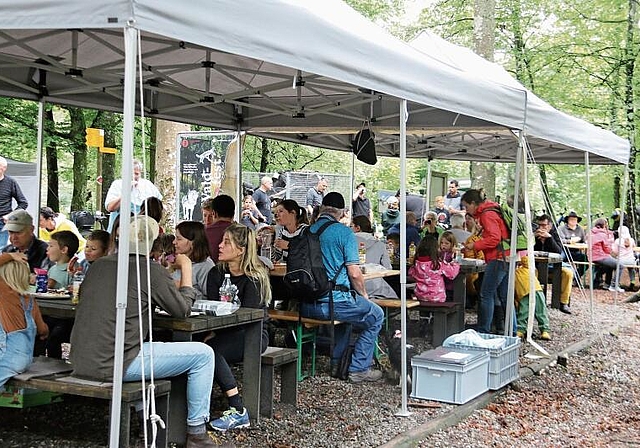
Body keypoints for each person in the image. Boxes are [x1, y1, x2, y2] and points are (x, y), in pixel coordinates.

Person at [70, 216, 218, 448]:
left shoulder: (98, 265)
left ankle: (147, 424)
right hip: (116, 362)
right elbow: (182, 310)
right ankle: (197, 433)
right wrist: (186, 268)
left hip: (80, 358)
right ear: (155, 243)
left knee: (145, 346)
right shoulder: (150, 270)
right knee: (204, 355)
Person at [299, 192, 384, 383]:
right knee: (376, 315)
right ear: (342, 212)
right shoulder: (344, 233)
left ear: (321, 208)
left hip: (305, 303)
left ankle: (338, 362)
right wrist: (364, 296)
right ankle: (358, 368)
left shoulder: (308, 231)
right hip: (332, 303)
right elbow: (354, 273)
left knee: (348, 317)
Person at [205, 223, 271, 431]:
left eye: (227, 242)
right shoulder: (215, 274)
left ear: (241, 250)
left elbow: (248, 319)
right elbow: (212, 307)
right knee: (194, 347)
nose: (220, 246)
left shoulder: (255, 278)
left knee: (210, 352)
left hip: (253, 334)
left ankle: (238, 409)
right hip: (221, 330)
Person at [461, 189, 511, 334]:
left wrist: (475, 245)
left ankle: (484, 330)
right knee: (504, 297)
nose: (466, 210)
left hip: (498, 258)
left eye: (466, 206)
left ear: (474, 203)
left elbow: (495, 239)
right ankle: (511, 330)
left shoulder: (487, 214)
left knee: (486, 294)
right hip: (507, 257)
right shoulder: (493, 210)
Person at [0, 252, 49, 389]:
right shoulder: (29, 300)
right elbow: (43, 330)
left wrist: (9, 256)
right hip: (24, 360)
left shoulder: (4, 294)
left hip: (6, 357)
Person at [40, 231, 79, 359]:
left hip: (67, 317)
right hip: (51, 313)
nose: (47, 249)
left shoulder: (73, 269)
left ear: (64, 249)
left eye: (51, 246)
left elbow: (73, 289)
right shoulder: (52, 269)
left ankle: (54, 363)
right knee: (38, 331)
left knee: (55, 337)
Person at [104, 159, 162, 232]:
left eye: (136, 173)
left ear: (140, 173)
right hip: (120, 230)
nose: (133, 176)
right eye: (130, 173)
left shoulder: (148, 185)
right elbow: (110, 208)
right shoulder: (117, 184)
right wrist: (126, 192)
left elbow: (159, 205)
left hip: (142, 232)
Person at [534, 214, 574, 314]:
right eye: (540, 225)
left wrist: (549, 238)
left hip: (554, 266)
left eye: (544, 225)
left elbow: (558, 251)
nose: (541, 228)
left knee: (568, 273)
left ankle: (563, 302)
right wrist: (536, 239)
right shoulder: (535, 234)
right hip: (537, 266)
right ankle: (535, 301)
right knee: (531, 274)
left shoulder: (555, 234)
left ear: (550, 226)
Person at [351, 215, 397, 299]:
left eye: (351, 226)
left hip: (353, 286)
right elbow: (388, 268)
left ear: (357, 227)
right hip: (376, 287)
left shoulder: (348, 242)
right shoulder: (380, 244)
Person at [409, 236, 459, 303]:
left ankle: (423, 313)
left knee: (424, 309)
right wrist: (455, 263)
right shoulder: (438, 264)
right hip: (437, 297)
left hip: (420, 296)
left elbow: (411, 273)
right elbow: (452, 274)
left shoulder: (416, 264)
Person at [173, 221, 214, 301]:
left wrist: (182, 286)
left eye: (179, 239)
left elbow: (209, 297)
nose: (174, 242)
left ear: (193, 242)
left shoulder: (206, 266)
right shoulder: (177, 261)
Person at [514, 255, 551, 341]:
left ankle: (544, 330)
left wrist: (521, 257)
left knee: (539, 310)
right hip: (526, 291)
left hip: (533, 289)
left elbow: (528, 261)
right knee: (525, 311)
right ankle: (521, 329)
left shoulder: (525, 268)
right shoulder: (514, 272)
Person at [0, 156, 28, 249]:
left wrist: (10, 215)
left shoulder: (11, 182)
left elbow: (23, 203)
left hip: (3, 222)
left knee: (1, 248)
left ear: (4, 168)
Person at [590, 217, 623, 291]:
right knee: (620, 265)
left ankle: (607, 284)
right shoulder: (602, 234)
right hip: (600, 256)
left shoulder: (591, 232)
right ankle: (614, 285)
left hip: (592, 255)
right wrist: (613, 252)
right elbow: (606, 248)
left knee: (610, 264)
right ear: (604, 225)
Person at [202, 195, 235, 263]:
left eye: (210, 216)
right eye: (205, 215)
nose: (207, 220)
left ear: (214, 214)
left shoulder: (202, 233)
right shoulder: (244, 233)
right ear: (233, 214)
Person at [558, 211, 588, 277]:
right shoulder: (561, 228)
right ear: (567, 220)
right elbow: (560, 240)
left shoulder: (580, 229)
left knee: (586, 260)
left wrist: (584, 243)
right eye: (571, 219)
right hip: (565, 251)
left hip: (576, 251)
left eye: (575, 219)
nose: (573, 221)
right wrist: (570, 241)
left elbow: (584, 240)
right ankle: (561, 277)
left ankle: (576, 277)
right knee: (559, 259)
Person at [612, 225, 637, 290]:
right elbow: (634, 248)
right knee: (631, 269)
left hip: (621, 260)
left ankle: (617, 283)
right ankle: (632, 281)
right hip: (631, 261)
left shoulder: (618, 241)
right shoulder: (631, 240)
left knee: (616, 267)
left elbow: (615, 252)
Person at [438, 231, 459, 301]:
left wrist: (455, 254)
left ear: (452, 244)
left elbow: (456, 262)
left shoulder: (453, 254)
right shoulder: (440, 253)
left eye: (447, 243)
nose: (443, 245)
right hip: (441, 284)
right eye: (442, 243)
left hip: (451, 283)